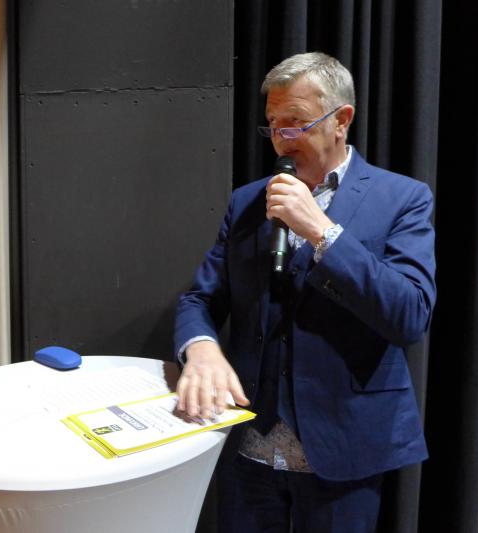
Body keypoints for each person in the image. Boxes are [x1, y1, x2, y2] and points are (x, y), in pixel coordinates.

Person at [173, 51, 437, 532]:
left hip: (345, 448)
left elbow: (409, 315)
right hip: (250, 445)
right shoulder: (248, 201)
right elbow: (200, 298)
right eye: (273, 125)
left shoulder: (402, 198)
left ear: (341, 120)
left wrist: (322, 232)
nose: (281, 138)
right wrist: (202, 348)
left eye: (295, 123)